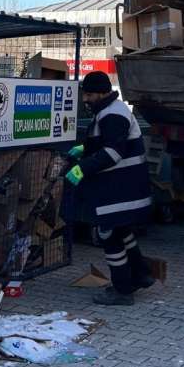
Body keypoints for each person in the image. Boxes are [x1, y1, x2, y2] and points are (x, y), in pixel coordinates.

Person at [66, 70, 153, 306]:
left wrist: (82, 168)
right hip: (126, 186)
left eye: (90, 94)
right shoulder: (111, 110)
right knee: (122, 231)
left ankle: (122, 290)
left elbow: (113, 152)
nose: (86, 99)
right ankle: (142, 274)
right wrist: (85, 149)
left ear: (103, 93)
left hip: (119, 188)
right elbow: (108, 143)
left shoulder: (112, 114)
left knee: (109, 235)